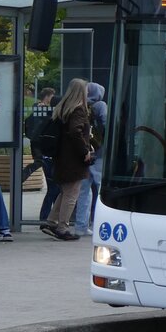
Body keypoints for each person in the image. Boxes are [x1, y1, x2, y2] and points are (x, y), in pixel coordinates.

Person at [42, 78, 94, 241]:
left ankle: (51, 221)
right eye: (86, 90)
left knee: (65, 191)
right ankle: (62, 227)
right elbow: (75, 131)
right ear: (81, 92)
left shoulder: (62, 108)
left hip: (62, 157)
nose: (87, 93)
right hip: (73, 159)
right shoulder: (78, 109)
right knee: (72, 193)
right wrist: (85, 150)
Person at [71, 82, 107, 238]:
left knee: (84, 191)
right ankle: (101, 225)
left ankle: (81, 226)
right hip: (99, 153)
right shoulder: (100, 105)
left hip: (85, 153)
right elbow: (106, 124)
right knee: (101, 191)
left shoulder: (81, 106)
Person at [22, 86, 57, 181]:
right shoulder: (42, 110)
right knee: (40, 161)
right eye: (51, 97)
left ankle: (22, 175)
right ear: (47, 96)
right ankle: (22, 175)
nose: (52, 99)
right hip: (39, 140)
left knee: (40, 161)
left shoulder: (38, 108)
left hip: (35, 139)